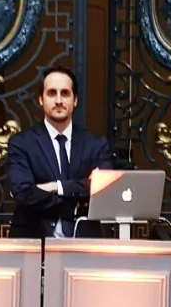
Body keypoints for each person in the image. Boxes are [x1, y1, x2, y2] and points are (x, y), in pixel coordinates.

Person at [7, 65, 114, 239]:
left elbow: (104, 188)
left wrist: (56, 186)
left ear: (75, 100)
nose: (58, 100)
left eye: (65, 93)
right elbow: (23, 193)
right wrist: (73, 206)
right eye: (52, 93)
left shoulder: (96, 144)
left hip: (84, 242)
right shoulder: (21, 144)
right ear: (41, 99)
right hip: (34, 241)